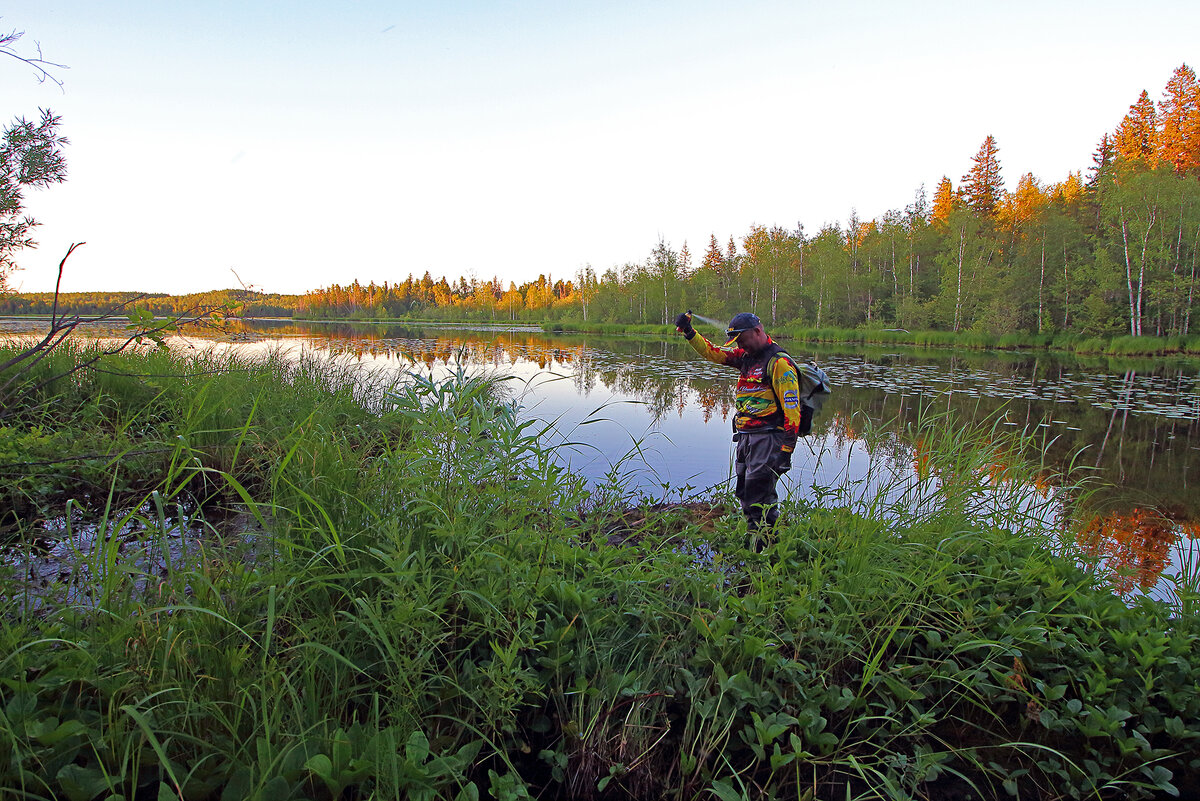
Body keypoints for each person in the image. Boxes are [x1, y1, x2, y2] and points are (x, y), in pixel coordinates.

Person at [674, 311, 804, 544]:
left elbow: (792, 411)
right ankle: (755, 542)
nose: (740, 345)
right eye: (738, 342)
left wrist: (786, 450)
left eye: (742, 339)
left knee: (760, 496)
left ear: (757, 331)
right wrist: (689, 332)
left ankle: (767, 549)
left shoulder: (779, 363)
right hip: (745, 437)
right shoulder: (745, 356)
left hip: (767, 439)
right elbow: (713, 352)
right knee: (745, 492)